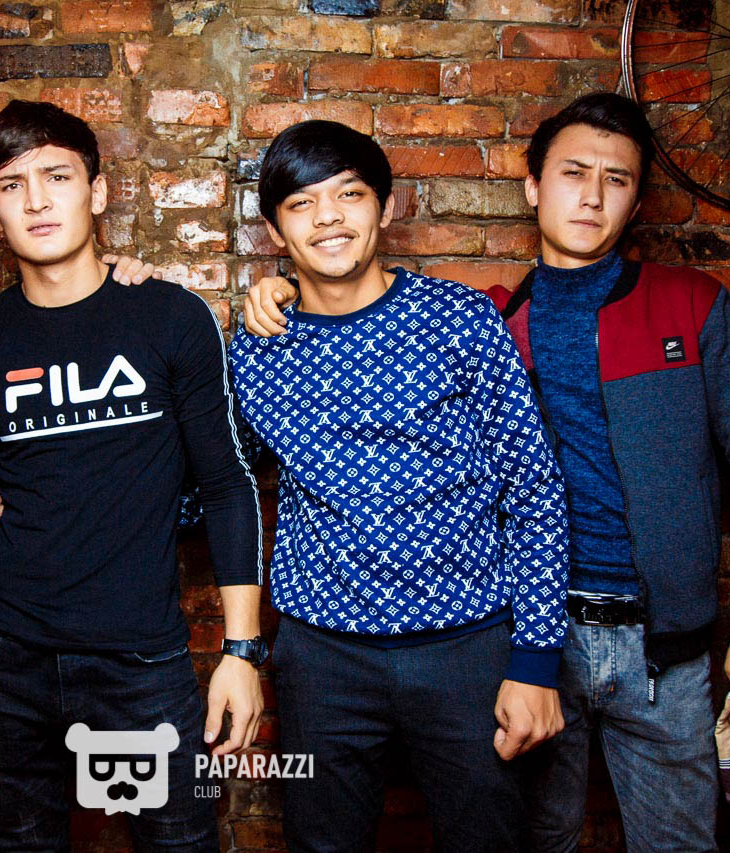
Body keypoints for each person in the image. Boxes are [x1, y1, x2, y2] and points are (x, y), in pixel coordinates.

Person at [243, 93, 730, 852]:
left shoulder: (653, 308)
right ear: (534, 185)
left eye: (616, 179)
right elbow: (224, 474)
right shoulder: (479, 317)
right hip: (423, 641)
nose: (592, 195)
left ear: (386, 207)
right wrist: (261, 290)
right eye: (574, 173)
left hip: (590, 643)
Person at [0, 99, 264, 852]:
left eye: (57, 176)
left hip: (137, 661)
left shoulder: (169, 318)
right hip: (2, 660)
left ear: (97, 193)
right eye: (12, 185)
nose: (36, 200)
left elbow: (228, 484)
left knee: (178, 844)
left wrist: (241, 650)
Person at [229, 119, 570, 853]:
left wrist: (536, 659)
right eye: (302, 204)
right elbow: (221, 484)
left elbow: (532, 488)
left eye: (349, 195)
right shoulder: (257, 350)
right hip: (323, 658)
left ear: (384, 207)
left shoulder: (460, 319)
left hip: (468, 648)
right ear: (275, 230)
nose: (328, 218)